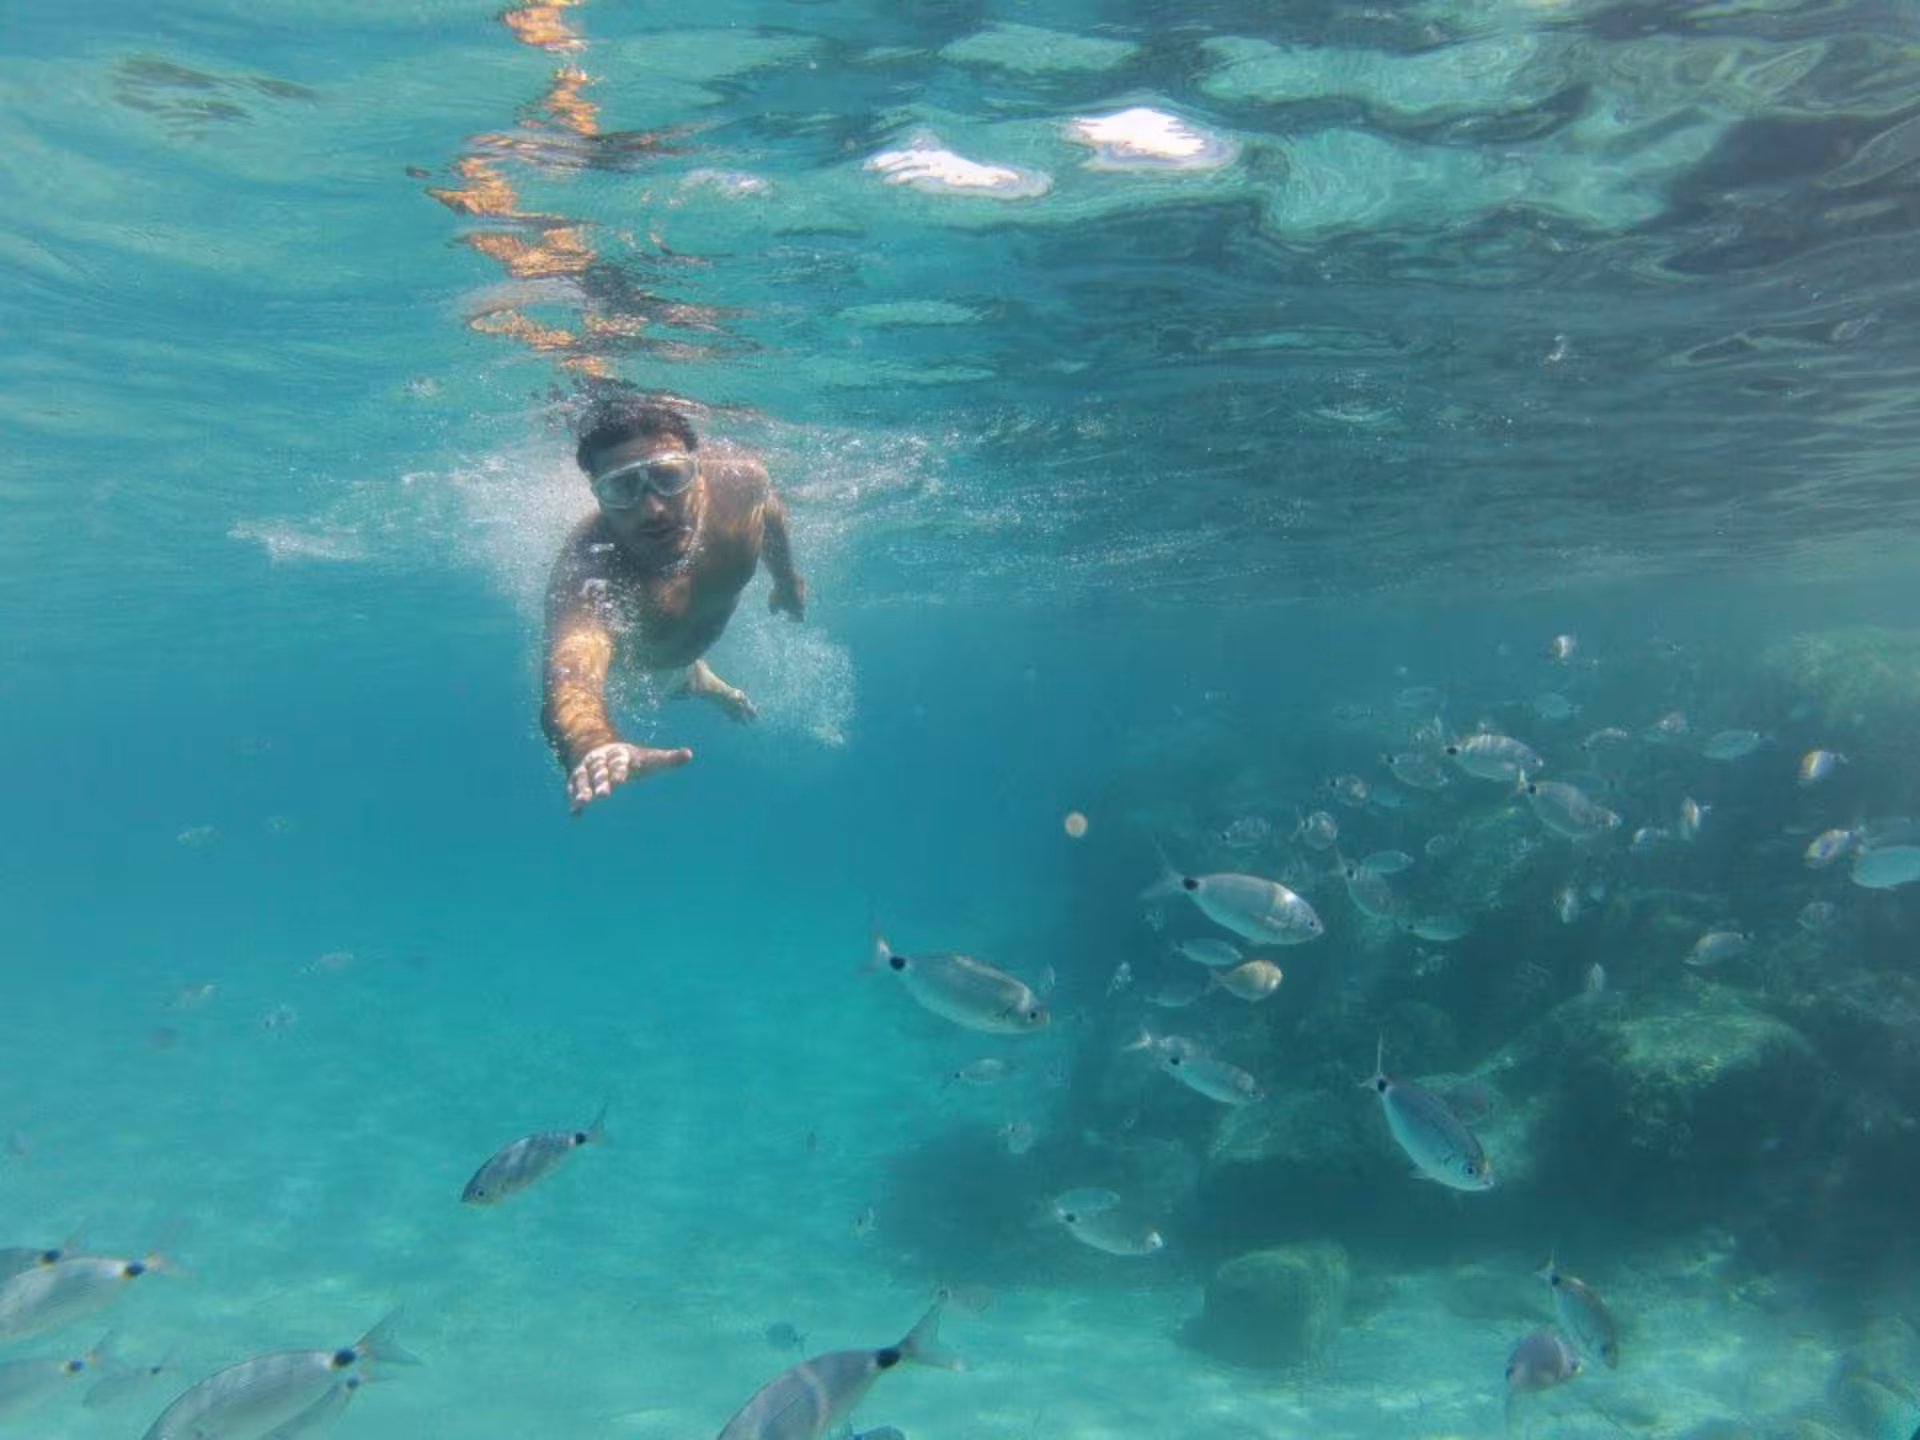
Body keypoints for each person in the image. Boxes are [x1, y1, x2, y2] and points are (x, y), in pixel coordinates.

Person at [542, 392, 806, 814]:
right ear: (598, 498)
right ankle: (697, 681)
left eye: (669, 476)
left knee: (684, 663)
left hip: (680, 642)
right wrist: (592, 745)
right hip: (645, 667)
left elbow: (769, 513)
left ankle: (699, 677)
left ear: (699, 472)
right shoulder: (591, 572)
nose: (653, 510)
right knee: (672, 679)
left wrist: (787, 580)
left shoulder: (742, 485)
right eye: (622, 488)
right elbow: (570, 676)